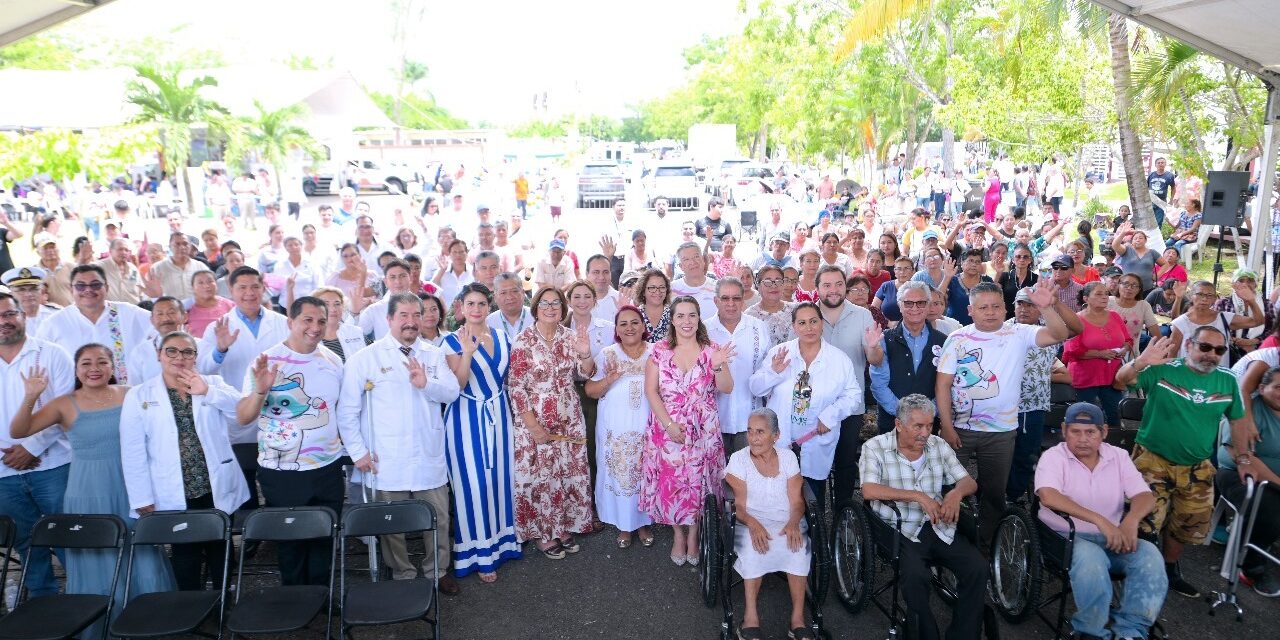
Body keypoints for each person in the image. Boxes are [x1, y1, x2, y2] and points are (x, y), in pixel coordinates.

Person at [10, 343, 176, 634]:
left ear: (113, 366)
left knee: (142, 550)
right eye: (86, 363)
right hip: (87, 489)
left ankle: (150, 620)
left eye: (102, 362)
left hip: (131, 485)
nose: (94, 369)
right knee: (97, 552)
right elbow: (19, 431)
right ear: (76, 370)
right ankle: (101, 623)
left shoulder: (130, 394)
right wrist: (31, 397)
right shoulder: (64, 403)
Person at [338, 293, 462, 594]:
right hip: (386, 456)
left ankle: (437, 571)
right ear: (389, 319)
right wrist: (358, 452)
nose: (411, 322)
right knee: (391, 523)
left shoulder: (432, 354)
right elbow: (347, 411)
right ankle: (403, 574)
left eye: (416, 315)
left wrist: (426, 384)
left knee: (438, 518)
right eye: (403, 316)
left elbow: (452, 392)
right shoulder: (365, 358)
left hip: (426, 453)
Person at [936, 280, 1073, 545]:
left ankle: (987, 543)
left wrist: (1047, 308)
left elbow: (1058, 334)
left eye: (996, 306)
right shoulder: (957, 338)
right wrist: (947, 425)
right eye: (983, 307)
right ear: (970, 310)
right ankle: (956, 540)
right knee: (951, 487)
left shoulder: (1020, 334)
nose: (990, 312)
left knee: (994, 492)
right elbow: (943, 384)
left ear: (1005, 309)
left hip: (1001, 431)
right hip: (960, 429)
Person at [1115, 329, 1247, 598]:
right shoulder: (1163, 369)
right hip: (1152, 459)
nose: (1211, 355)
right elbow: (1120, 381)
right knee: (1144, 521)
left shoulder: (1228, 380)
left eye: (1219, 351)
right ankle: (1138, 571)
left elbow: (1237, 421)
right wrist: (1140, 361)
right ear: (1188, 345)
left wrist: (1243, 458)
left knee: (1186, 523)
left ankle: (1169, 569)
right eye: (1205, 347)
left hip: (1198, 465)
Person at [118, 331, 249, 591]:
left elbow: (242, 410)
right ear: (159, 355)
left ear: (195, 357)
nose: (180, 357)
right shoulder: (139, 394)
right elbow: (132, 450)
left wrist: (208, 392)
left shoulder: (212, 382)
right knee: (184, 550)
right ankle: (192, 605)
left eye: (187, 352)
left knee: (220, 546)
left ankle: (223, 600)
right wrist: (141, 497)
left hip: (215, 482)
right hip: (173, 487)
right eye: (172, 351)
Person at [235, 297, 351, 587]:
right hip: (282, 471)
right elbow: (243, 417)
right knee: (291, 541)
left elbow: (341, 410)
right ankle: (293, 599)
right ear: (291, 321)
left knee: (325, 536)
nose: (315, 327)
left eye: (321, 321)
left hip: (327, 466)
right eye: (307, 320)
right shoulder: (266, 361)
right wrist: (260, 391)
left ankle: (320, 597)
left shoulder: (333, 360)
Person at [860, 394, 987, 640]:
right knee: (916, 577)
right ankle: (925, 634)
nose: (925, 433)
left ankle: (964, 635)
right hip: (897, 528)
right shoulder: (875, 447)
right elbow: (869, 490)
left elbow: (968, 481)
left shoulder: (938, 445)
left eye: (929, 425)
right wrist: (917, 496)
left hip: (937, 525)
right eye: (918, 426)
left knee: (977, 568)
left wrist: (954, 494)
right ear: (898, 424)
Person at [1035, 402, 1167, 639]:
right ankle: (1091, 631)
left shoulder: (1118, 456)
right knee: (1091, 561)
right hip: (1063, 537)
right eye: (1075, 431)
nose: (1083, 439)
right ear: (1064, 430)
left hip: (1112, 536)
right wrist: (1100, 520)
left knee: (1150, 558)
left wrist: (1132, 520)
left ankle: (1131, 630)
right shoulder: (1053, 457)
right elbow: (1048, 496)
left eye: (1090, 432)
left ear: (1104, 432)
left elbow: (1144, 495)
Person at [642, 296, 734, 565]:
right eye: (680, 316)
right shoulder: (659, 350)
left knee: (698, 483)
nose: (686, 321)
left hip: (703, 428)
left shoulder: (712, 349)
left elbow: (727, 387)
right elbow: (651, 390)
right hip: (667, 424)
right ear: (672, 320)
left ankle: (694, 534)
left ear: (698, 318)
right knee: (671, 483)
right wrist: (669, 425)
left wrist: (718, 364)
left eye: (691, 315)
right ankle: (677, 534)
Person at [508, 287, 595, 559]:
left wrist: (584, 353)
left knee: (566, 472)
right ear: (535, 308)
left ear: (562, 307)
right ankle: (545, 533)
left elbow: (584, 374)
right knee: (541, 477)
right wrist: (534, 427)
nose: (550, 307)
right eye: (544, 303)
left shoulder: (570, 337)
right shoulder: (523, 340)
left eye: (555, 303)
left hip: (568, 416)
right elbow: (516, 387)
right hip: (535, 419)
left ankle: (564, 526)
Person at [443, 283, 522, 581]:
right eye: (470, 304)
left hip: (499, 415)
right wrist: (466, 354)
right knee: (473, 487)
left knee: (500, 480)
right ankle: (479, 554)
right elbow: (457, 385)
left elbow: (510, 378)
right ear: (461, 308)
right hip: (466, 417)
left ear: (489, 307)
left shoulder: (502, 336)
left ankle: (503, 545)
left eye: (481, 304)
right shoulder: (451, 340)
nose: (476, 309)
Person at [197, 266, 289, 513]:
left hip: (279, 411)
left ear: (263, 288)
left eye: (255, 287)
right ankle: (250, 532)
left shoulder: (281, 322)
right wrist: (221, 350)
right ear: (232, 291)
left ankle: (275, 522)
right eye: (242, 288)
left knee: (277, 473)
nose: (249, 293)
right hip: (237, 410)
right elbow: (204, 369)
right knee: (244, 475)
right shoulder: (218, 327)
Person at [0, 293, 73, 600]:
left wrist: (30, 447)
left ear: (24, 315)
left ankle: (88, 601)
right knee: (26, 542)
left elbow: (67, 406)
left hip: (53, 464)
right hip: (3, 472)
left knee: (70, 535)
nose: (4, 321)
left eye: (9, 314)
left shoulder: (52, 354)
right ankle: (45, 607)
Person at [751, 302, 862, 500]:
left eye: (813, 321)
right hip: (781, 440)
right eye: (802, 323)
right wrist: (773, 372)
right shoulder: (781, 353)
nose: (809, 328)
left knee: (812, 499)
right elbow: (756, 388)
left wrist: (830, 416)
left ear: (822, 324)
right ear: (794, 326)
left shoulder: (838, 359)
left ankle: (813, 531)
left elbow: (853, 395)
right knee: (779, 498)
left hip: (815, 439)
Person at [725, 408, 813, 640]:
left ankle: (797, 620)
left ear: (776, 435)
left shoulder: (788, 458)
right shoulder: (738, 459)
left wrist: (794, 522)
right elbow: (740, 508)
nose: (752, 438)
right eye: (750, 431)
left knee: (798, 548)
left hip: (785, 519)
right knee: (754, 550)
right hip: (749, 520)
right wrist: (754, 525)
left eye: (760, 432)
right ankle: (750, 618)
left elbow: (797, 501)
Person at [584, 306, 656, 549]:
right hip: (616, 427)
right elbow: (591, 391)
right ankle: (625, 525)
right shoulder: (607, 354)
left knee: (645, 470)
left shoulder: (657, 353)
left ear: (644, 327)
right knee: (621, 472)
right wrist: (610, 379)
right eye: (623, 324)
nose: (629, 328)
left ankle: (644, 522)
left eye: (634, 322)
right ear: (616, 330)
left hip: (647, 424)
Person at [815, 265, 878, 505]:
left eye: (839, 284)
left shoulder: (862, 315)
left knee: (845, 459)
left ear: (846, 287)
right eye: (827, 285)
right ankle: (815, 518)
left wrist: (874, 348)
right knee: (814, 463)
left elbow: (874, 360)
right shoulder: (807, 314)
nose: (833, 290)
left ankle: (844, 516)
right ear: (817, 287)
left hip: (851, 405)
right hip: (815, 404)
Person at [1218, 365, 1280, 596]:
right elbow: (1246, 459)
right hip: (1237, 474)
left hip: (1273, 480)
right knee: (1270, 509)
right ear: (1263, 388)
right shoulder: (1246, 409)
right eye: (1278, 387)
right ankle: (1252, 566)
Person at [35, 264, 152, 385]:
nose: (88, 290)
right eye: (80, 286)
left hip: (127, 397)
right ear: (71, 289)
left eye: (95, 285)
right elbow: (39, 361)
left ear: (106, 287)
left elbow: (162, 326)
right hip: (75, 399)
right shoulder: (54, 323)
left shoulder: (129, 313)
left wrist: (155, 297)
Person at [706, 278, 771, 454]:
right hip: (712, 422)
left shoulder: (758, 328)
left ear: (743, 301)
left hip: (750, 422)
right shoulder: (704, 331)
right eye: (725, 298)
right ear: (716, 301)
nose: (731, 304)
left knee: (747, 477)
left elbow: (767, 370)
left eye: (736, 298)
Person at [871, 281, 945, 434]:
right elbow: (879, 384)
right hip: (892, 422)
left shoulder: (943, 341)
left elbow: (946, 385)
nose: (915, 308)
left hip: (928, 424)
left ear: (929, 304)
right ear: (900, 305)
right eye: (908, 303)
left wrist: (928, 413)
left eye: (921, 303)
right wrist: (904, 414)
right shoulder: (884, 339)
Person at [1063, 282, 1132, 426]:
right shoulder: (1077, 320)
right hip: (1085, 379)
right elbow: (1072, 351)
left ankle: (1113, 446)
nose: (1105, 297)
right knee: (1084, 419)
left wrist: (1124, 350)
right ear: (1086, 298)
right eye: (1099, 294)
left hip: (1112, 377)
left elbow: (1128, 340)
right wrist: (1100, 354)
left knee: (1114, 416)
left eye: (1106, 293)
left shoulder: (1115, 316)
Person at [1169, 279, 1263, 367]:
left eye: (1209, 295)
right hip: (1188, 378)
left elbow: (1257, 321)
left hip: (1218, 378)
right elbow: (1171, 354)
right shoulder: (1181, 323)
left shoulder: (1224, 318)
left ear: (1215, 299)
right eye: (1200, 294)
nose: (1204, 299)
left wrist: (1251, 301)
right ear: (1191, 296)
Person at [125, 296, 189, 383]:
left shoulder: (200, 346)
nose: (165, 318)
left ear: (184, 317)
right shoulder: (140, 352)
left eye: (171, 312)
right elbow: (134, 388)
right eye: (160, 314)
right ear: (151, 320)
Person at [357, 259, 418, 340]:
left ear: (410, 278)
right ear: (385, 282)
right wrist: (354, 312)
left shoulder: (423, 305)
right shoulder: (374, 310)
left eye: (402, 276)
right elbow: (357, 335)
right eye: (392, 277)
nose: (398, 281)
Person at [745, 265, 795, 346]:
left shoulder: (795, 310)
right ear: (758, 286)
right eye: (767, 282)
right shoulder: (750, 315)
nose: (774, 285)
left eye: (778, 281)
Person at [671, 242, 718, 320]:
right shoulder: (671, 290)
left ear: (703, 260)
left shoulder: (719, 288)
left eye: (696, 257)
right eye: (686, 259)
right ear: (681, 266)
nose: (692, 262)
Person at [1112, 222, 1158, 295]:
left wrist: (1157, 275)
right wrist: (1123, 233)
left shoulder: (1152, 252)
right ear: (1132, 241)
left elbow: (1165, 264)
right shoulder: (1126, 249)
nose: (1138, 240)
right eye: (1135, 238)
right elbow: (1115, 246)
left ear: (1145, 240)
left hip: (1147, 288)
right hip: (1128, 289)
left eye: (1140, 238)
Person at [486, 272, 532, 344]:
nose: (509, 297)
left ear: (523, 293)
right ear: (495, 297)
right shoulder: (489, 323)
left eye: (514, 291)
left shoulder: (536, 318)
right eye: (503, 293)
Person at [186, 270, 235, 337]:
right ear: (193, 288)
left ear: (216, 284)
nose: (206, 286)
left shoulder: (230, 305)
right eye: (200, 283)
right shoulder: (187, 309)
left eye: (210, 281)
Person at [96, 238, 144, 304]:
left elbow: (140, 290)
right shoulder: (100, 266)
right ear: (110, 251)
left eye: (126, 250)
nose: (124, 252)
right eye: (120, 249)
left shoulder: (133, 269)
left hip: (133, 308)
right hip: (112, 310)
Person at [635, 269, 673, 343]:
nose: (657, 292)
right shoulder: (635, 315)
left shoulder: (675, 314)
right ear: (643, 291)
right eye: (652, 288)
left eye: (662, 287)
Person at [1147, 157, 1177, 228]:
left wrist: (1171, 200)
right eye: (1159, 163)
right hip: (1150, 201)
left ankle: (1157, 237)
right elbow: (1146, 187)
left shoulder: (1169, 175)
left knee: (1158, 221)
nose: (1160, 164)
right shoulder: (1151, 175)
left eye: (1162, 162)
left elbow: (1173, 187)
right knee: (1148, 221)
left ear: (1165, 164)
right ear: (1155, 165)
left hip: (1161, 201)